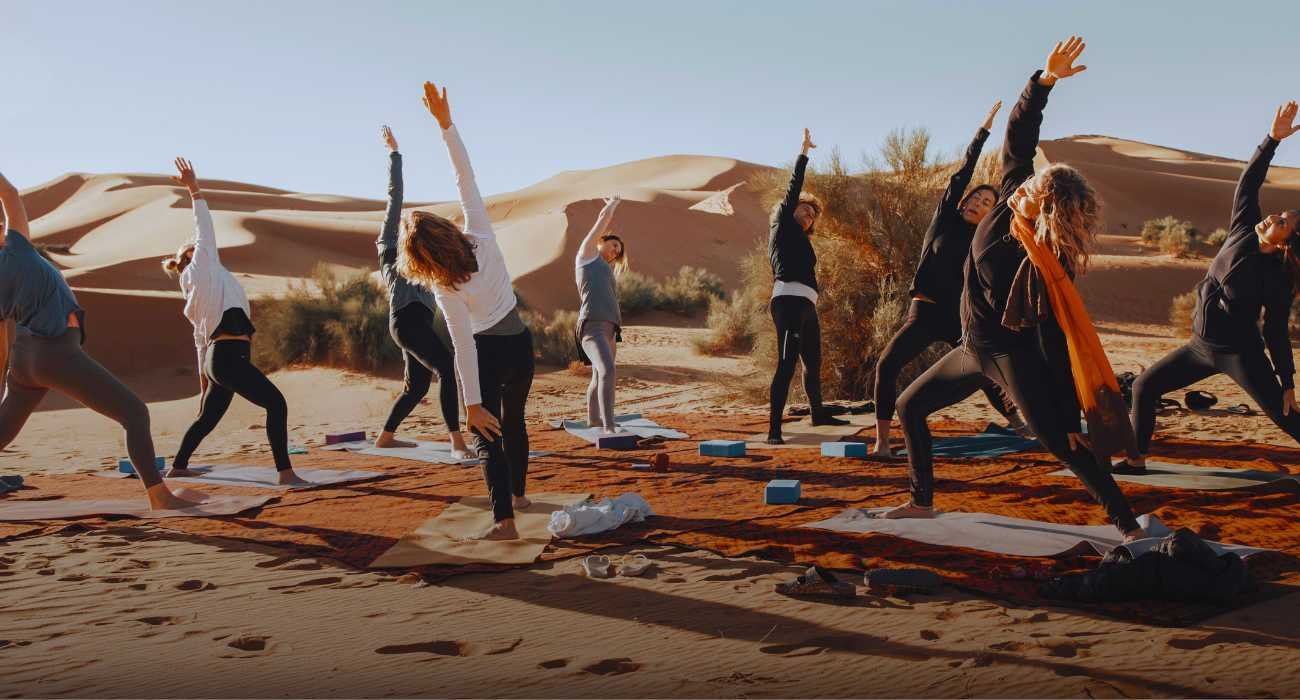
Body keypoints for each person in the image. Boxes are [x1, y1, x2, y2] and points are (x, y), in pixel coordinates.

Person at [884, 38, 1145, 540]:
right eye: (1031, 181)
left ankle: (1127, 525)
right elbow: (1019, 136)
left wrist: (1068, 410)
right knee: (909, 405)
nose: (1026, 185)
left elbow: (1051, 336)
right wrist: (1042, 82)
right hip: (971, 349)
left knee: (1064, 443)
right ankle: (920, 502)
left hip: (1011, 357)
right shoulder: (1009, 197)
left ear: (1047, 206)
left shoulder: (1042, 259)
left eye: (1037, 188)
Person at [0, 168, 199, 509]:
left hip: (26, 358)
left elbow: (3, 339)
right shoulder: (15, 249)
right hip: (54, 353)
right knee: (135, 414)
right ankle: (160, 496)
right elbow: (11, 194)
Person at [1120, 101, 1300, 472]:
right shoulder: (1242, 230)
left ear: (1286, 242)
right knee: (1143, 387)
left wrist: (1286, 380)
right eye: (1280, 213)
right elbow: (1248, 181)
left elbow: (1276, 329)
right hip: (1199, 347)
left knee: (1286, 419)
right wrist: (1271, 140)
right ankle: (1136, 460)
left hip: (1241, 356)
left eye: (1283, 221)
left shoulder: (1277, 277)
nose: (1273, 216)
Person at [400, 81, 535, 540]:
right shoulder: (482, 233)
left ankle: (505, 522)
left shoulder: (444, 285)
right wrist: (445, 125)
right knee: (514, 422)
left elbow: (462, 346)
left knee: (487, 434)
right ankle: (519, 496)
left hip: (489, 353)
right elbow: (465, 177)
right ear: (447, 231)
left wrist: (472, 404)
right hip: (522, 346)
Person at [872, 100, 1029, 457]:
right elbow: (961, 175)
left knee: (986, 366)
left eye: (987, 202)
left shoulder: (984, 240)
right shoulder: (944, 220)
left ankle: (1020, 423)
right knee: (887, 365)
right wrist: (983, 132)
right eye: (975, 197)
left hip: (958, 316)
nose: (977, 202)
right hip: (924, 313)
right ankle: (882, 442)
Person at [162, 158, 307, 485]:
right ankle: (285, 473)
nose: (207, 250)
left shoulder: (198, 289)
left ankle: (178, 467)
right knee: (276, 404)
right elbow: (205, 230)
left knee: (206, 419)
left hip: (220, 360)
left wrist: (204, 380)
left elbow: (200, 339)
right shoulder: (204, 267)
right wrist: (194, 189)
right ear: (194, 256)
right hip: (227, 357)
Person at [374, 125, 471, 457]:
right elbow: (394, 197)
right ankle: (457, 442)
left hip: (417, 325)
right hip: (405, 322)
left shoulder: (426, 262)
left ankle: (386, 437)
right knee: (446, 367)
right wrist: (394, 154)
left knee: (416, 387)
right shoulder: (389, 248)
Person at [765, 128, 850, 444]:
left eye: (813, 214)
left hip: (806, 306)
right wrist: (803, 152)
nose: (809, 215)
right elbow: (793, 187)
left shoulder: (801, 239)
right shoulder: (782, 226)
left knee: (813, 363)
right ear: (791, 210)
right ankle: (774, 430)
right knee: (786, 365)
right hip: (787, 302)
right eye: (805, 208)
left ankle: (818, 414)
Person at [574, 196, 627, 434]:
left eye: (619, 248)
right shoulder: (586, 256)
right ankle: (609, 426)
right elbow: (601, 220)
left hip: (610, 329)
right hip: (591, 327)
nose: (616, 250)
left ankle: (594, 419)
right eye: (613, 244)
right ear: (600, 242)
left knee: (598, 375)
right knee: (607, 370)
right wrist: (613, 204)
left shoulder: (606, 268)